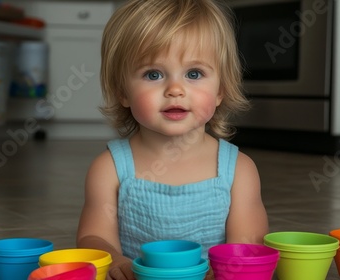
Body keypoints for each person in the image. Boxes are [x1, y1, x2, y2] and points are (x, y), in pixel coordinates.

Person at [76, 0, 269, 279]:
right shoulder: (109, 168)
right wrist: (116, 260)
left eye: (194, 73)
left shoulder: (239, 170)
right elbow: (93, 237)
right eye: (153, 74)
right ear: (123, 92)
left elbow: (247, 245)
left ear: (220, 90)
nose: (175, 89)